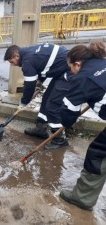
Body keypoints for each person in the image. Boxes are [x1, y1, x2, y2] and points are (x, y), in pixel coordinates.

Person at [59, 41, 106, 211]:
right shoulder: (103, 62)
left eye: (70, 66)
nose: (70, 71)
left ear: (77, 64)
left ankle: (82, 199)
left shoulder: (82, 78)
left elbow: (68, 113)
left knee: (98, 153)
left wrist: (66, 124)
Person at [4, 43, 70, 150]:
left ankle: (60, 140)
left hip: (70, 71)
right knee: (46, 99)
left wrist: (24, 102)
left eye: (12, 62)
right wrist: (39, 83)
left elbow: (29, 86)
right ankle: (41, 129)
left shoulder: (27, 61)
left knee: (52, 105)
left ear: (16, 56)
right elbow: (43, 67)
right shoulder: (29, 52)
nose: (13, 64)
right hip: (60, 70)